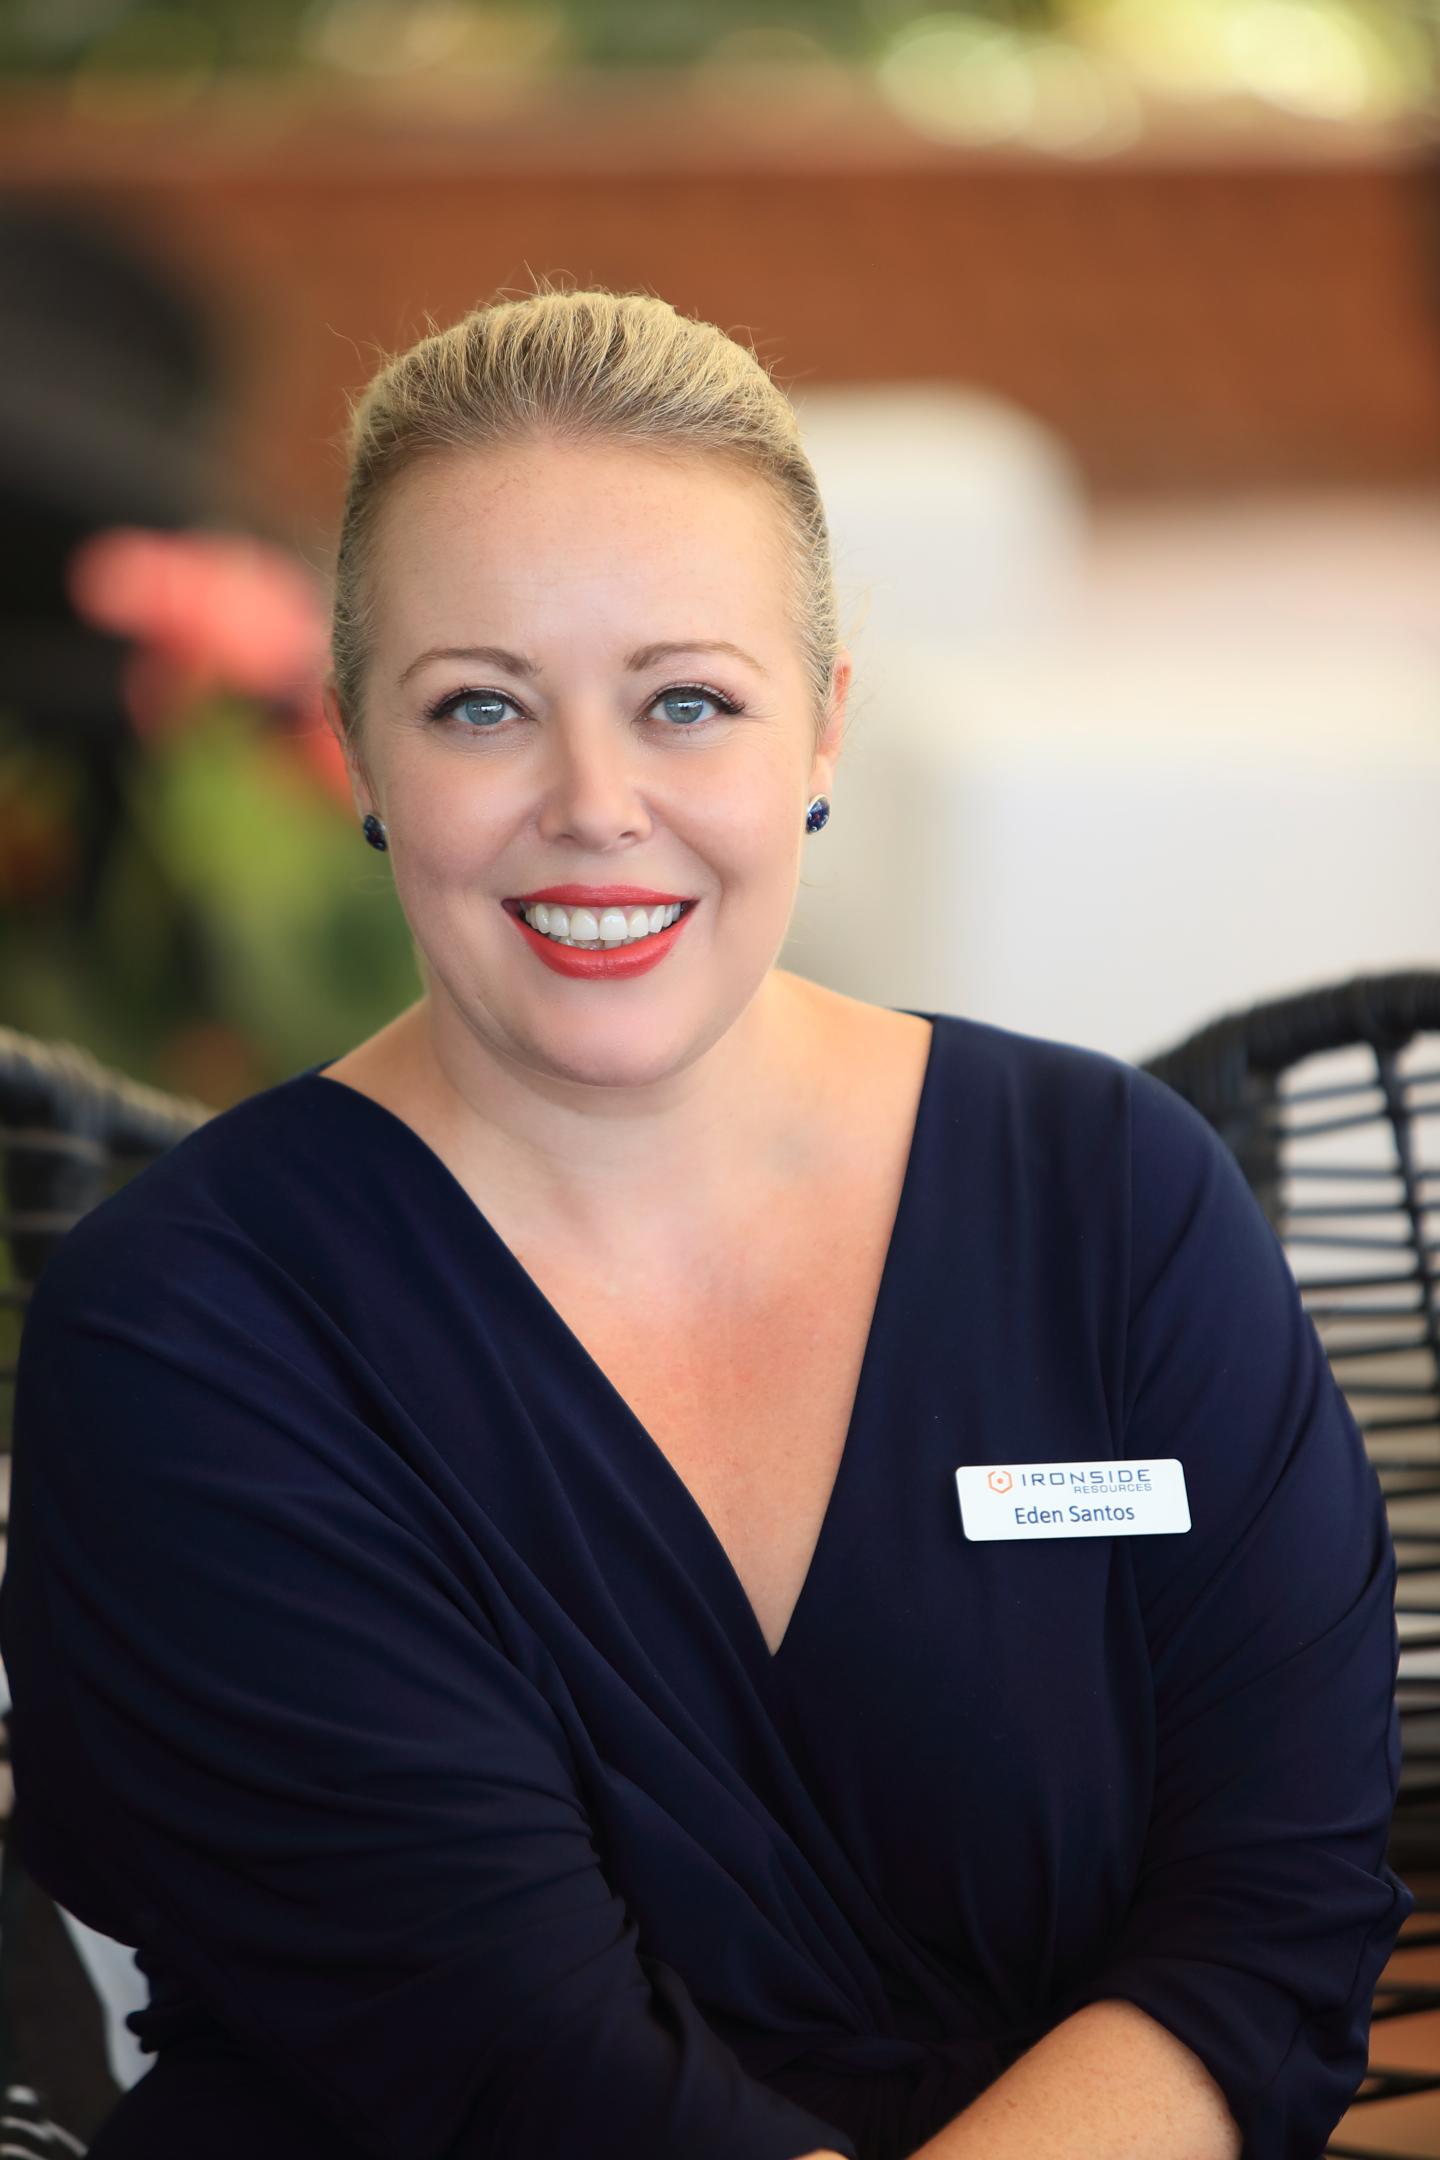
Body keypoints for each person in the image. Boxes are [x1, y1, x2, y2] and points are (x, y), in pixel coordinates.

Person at [0, 281, 1412, 2160]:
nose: (598, 807)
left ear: (821, 735)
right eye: (482, 706)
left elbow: (1273, 1927)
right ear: (355, 743)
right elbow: (534, 2080)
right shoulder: (184, 1335)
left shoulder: (1118, 1199)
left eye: (688, 702)